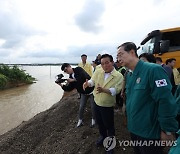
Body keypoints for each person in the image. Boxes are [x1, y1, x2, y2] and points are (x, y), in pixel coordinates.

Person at [117, 42, 178, 154]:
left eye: (121, 54)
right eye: (117, 56)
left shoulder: (153, 70)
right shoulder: (130, 75)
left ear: (132, 52)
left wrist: (167, 130)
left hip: (150, 133)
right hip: (134, 129)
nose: (118, 58)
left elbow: (165, 101)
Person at [83, 54, 123, 153]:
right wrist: (88, 84)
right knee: (100, 123)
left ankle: (110, 145)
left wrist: (104, 90)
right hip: (97, 102)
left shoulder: (118, 76)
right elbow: (93, 81)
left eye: (107, 63)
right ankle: (103, 137)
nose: (105, 66)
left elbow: (116, 90)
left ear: (112, 62)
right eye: (102, 64)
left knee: (109, 125)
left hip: (107, 105)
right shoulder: (98, 71)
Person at [59, 63, 96, 128]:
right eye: (65, 71)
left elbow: (83, 77)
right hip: (83, 93)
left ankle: (94, 120)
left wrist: (73, 80)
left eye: (66, 69)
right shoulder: (70, 77)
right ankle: (80, 120)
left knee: (93, 106)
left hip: (91, 91)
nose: (66, 72)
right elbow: (69, 88)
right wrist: (60, 84)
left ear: (69, 66)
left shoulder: (78, 69)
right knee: (81, 107)